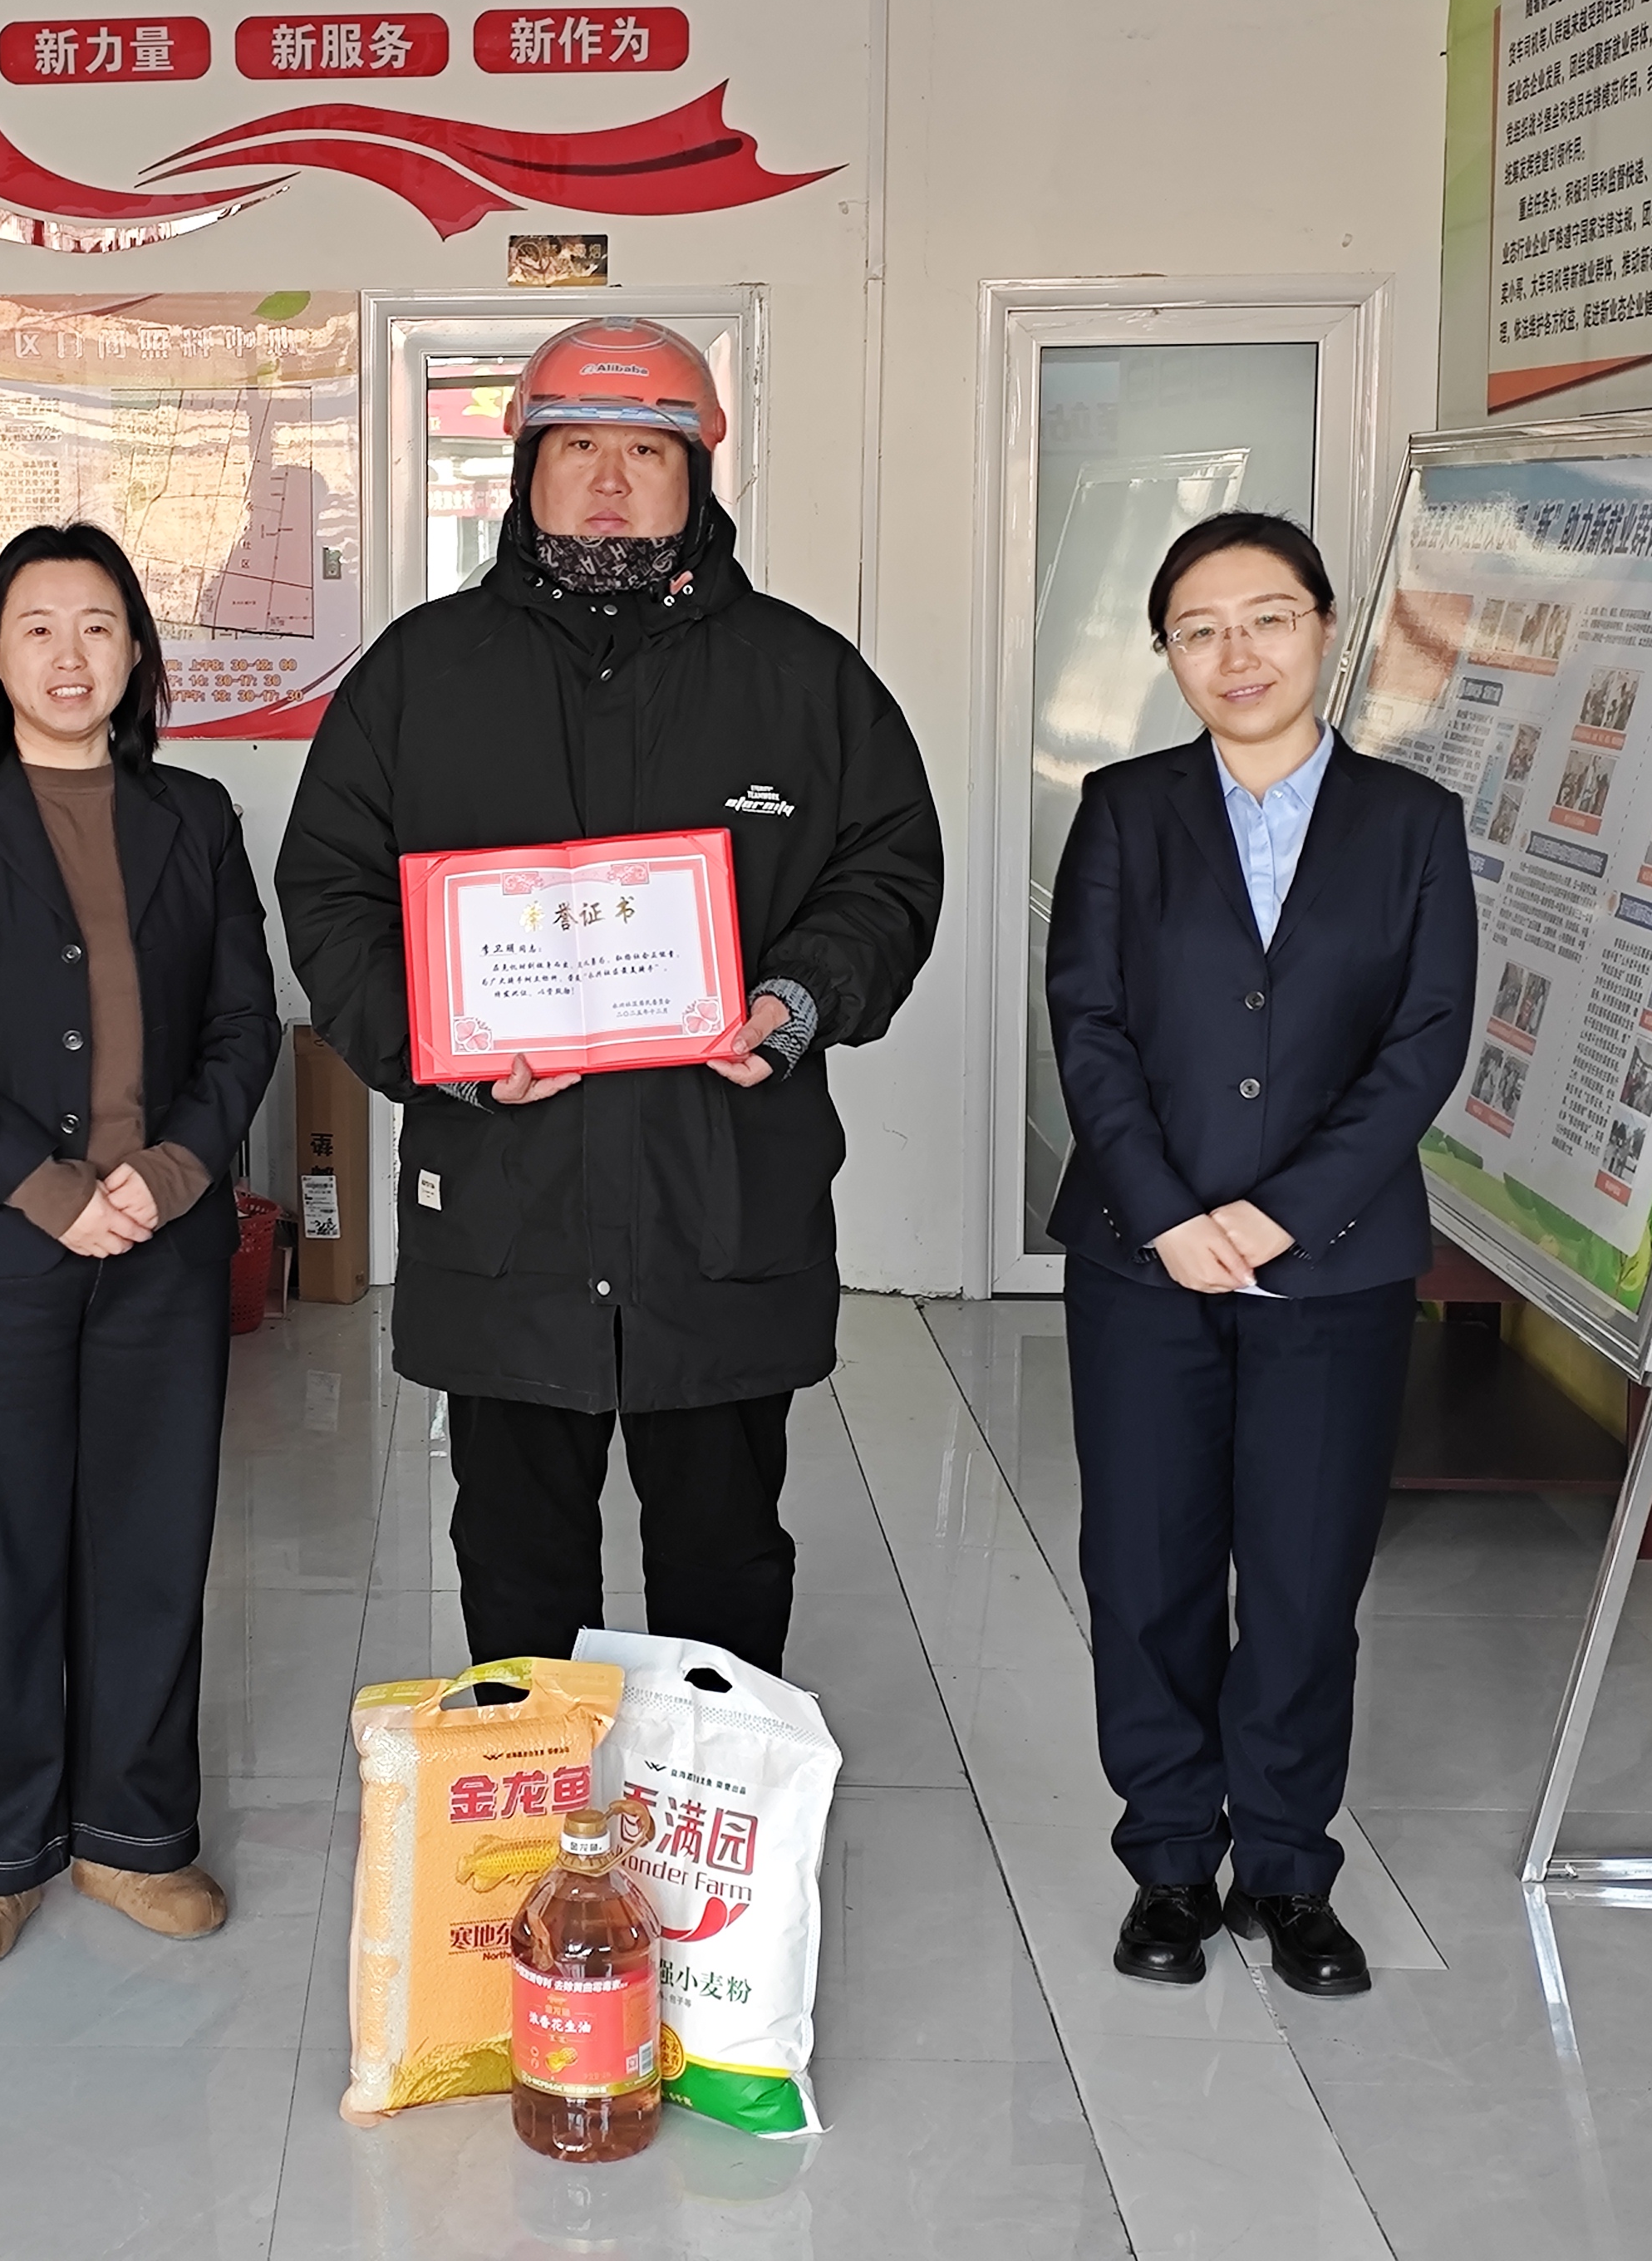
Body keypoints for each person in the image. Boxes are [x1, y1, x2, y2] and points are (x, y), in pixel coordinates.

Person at [277, 317, 942, 1681]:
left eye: (647, 450)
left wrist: (799, 997)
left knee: (725, 1558)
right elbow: (331, 894)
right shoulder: (420, 676)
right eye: (577, 445)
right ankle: (540, 1806)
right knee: (516, 1560)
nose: (610, 480)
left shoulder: (803, 677)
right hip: (505, 1211)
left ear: (699, 475)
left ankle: (707, 1807)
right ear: (526, 466)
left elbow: (888, 872)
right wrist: (441, 1048)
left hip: (721, 1209)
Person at [1042, 511, 1477, 2000]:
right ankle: (1170, 1859)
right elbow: (1088, 1024)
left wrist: (1283, 1213)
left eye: (1268, 618)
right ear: (1168, 655)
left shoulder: (1412, 823)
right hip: (1139, 1258)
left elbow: (1424, 1043)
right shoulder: (1123, 810)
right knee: (1147, 1567)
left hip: (1334, 1267)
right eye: (1200, 629)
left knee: (1302, 1577)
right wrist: (1170, 1214)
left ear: (1325, 628)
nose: (1238, 653)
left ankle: (1288, 1867)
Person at [0, 523, 276, 1970]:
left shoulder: (195, 816)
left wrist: (167, 1172)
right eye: (36, 626)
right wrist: (48, 1189)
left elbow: (244, 1023)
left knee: (151, 1543)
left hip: (162, 1240)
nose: (68, 654)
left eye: (98, 625)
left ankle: (132, 1837)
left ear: (137, 654)